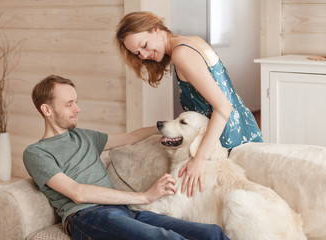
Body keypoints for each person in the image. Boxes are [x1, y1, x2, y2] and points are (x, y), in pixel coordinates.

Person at [23, 75, 230, 240]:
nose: (77, 109)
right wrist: (144, 197)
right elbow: (78, 193)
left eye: (76, 102)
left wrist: (168, 128)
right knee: (164, 238)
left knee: (211, 233)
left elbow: (132, 137)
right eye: (69, 104)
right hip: (86, 216)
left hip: (123, 211)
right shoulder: (36, 153)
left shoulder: (85, 136)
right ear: (47, 109)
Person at [115, 11, 263, 198]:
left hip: (224, 141)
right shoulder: (191, 41)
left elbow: (223, 107)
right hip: (244, 128)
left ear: (156, 29)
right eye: (137, 53)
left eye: (143, 45)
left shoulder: (182, 54)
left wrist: (200, 159)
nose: (143, 55)